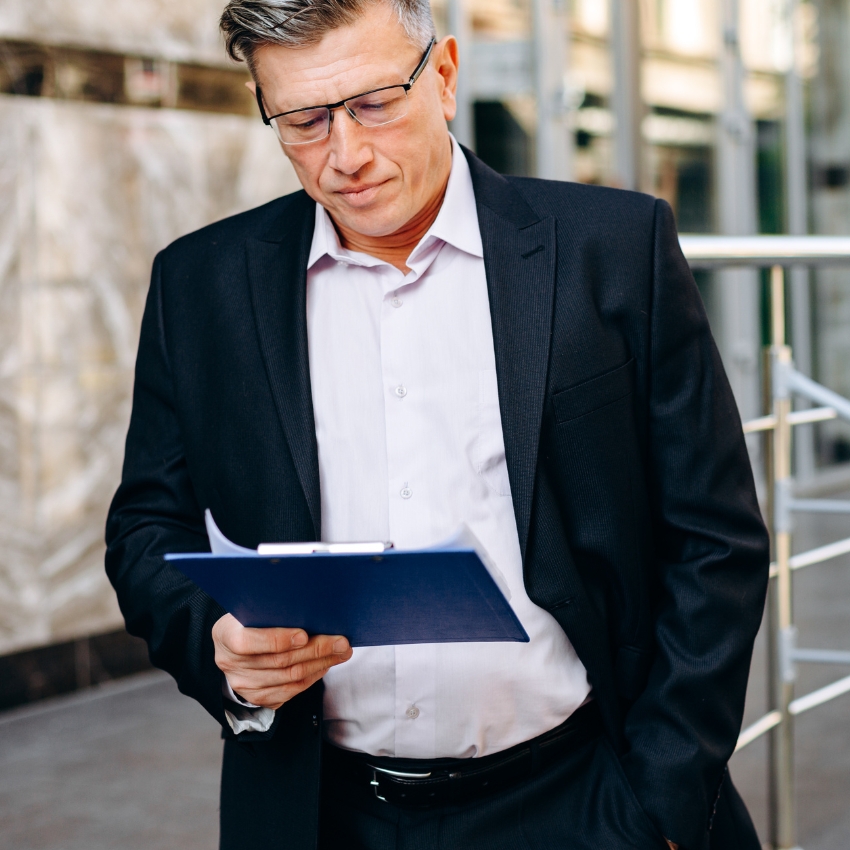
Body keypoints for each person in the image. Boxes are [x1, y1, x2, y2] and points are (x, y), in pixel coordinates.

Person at [105, 1, 770, 848]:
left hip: (585, 795)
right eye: (303, 120)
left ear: (446, 77)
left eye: (375, 102)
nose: (345, 155)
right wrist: (218, 645)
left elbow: (716, 539)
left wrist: (662, 801)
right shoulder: (200, 284)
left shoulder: (613, 246)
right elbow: (144, 528)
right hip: (320, 813)